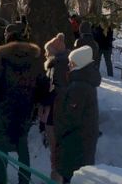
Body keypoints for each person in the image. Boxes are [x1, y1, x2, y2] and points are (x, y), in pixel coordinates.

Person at [0, 26, 47, 184]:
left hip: (2, 110)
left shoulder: (1, 60)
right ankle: (24, 179)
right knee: (22, 147)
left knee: (0, 148)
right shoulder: (34, 61)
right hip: (25, 110)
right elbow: (42, 85)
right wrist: (35, 102)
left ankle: (1, 179)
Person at [54, 45, 101, 183]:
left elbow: (70, 118)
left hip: (75, 144)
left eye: (71, 63)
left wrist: (60, 130)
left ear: (78, 64)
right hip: (81, 142)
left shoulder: (79, 87)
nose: (68, 65)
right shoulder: (83, 83)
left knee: (71, 176)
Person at [43, 33, 70, 181]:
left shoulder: (56, 66)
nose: (45, 54)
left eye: (47, 51)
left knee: (56, 153)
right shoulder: (66, 63)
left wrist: (44, 100)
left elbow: (55, 91)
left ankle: (56, 179)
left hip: (55, 115)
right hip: (62, 114)